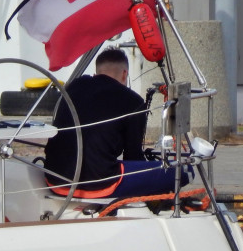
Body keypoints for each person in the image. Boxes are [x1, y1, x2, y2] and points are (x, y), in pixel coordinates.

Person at [44, 47, 190, 198]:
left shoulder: (74, 86)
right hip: (100, 186)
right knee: (185, 171)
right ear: (124, 73)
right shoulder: (134, 101)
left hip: (55, 181)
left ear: (96, 72)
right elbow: (132, 156)